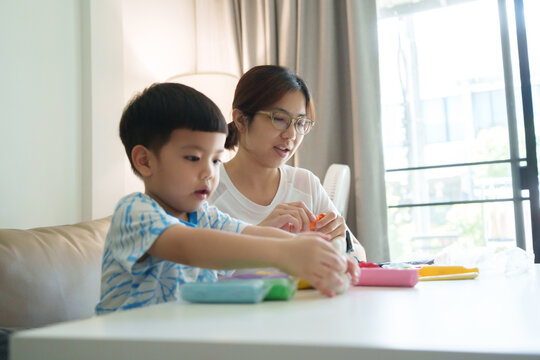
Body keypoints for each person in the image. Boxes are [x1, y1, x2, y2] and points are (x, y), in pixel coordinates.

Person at [95, 83, 359, 314]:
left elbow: (251, 234)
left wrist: (316, 250)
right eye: (193, 158)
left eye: (215, 159)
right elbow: (190, 246)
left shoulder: (204, 215)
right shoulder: (134, 213)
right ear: (145, 161)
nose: (209, 172)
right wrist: (286, 252)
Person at [209, 65, 367, 261]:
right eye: (279, 119)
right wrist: (260, 234)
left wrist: (344, 242)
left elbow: (360, 256)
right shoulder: (208, 188)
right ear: (241, 120)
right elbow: (194, 273)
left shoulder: (305, 184)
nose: (291, 134)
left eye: (300, 123)